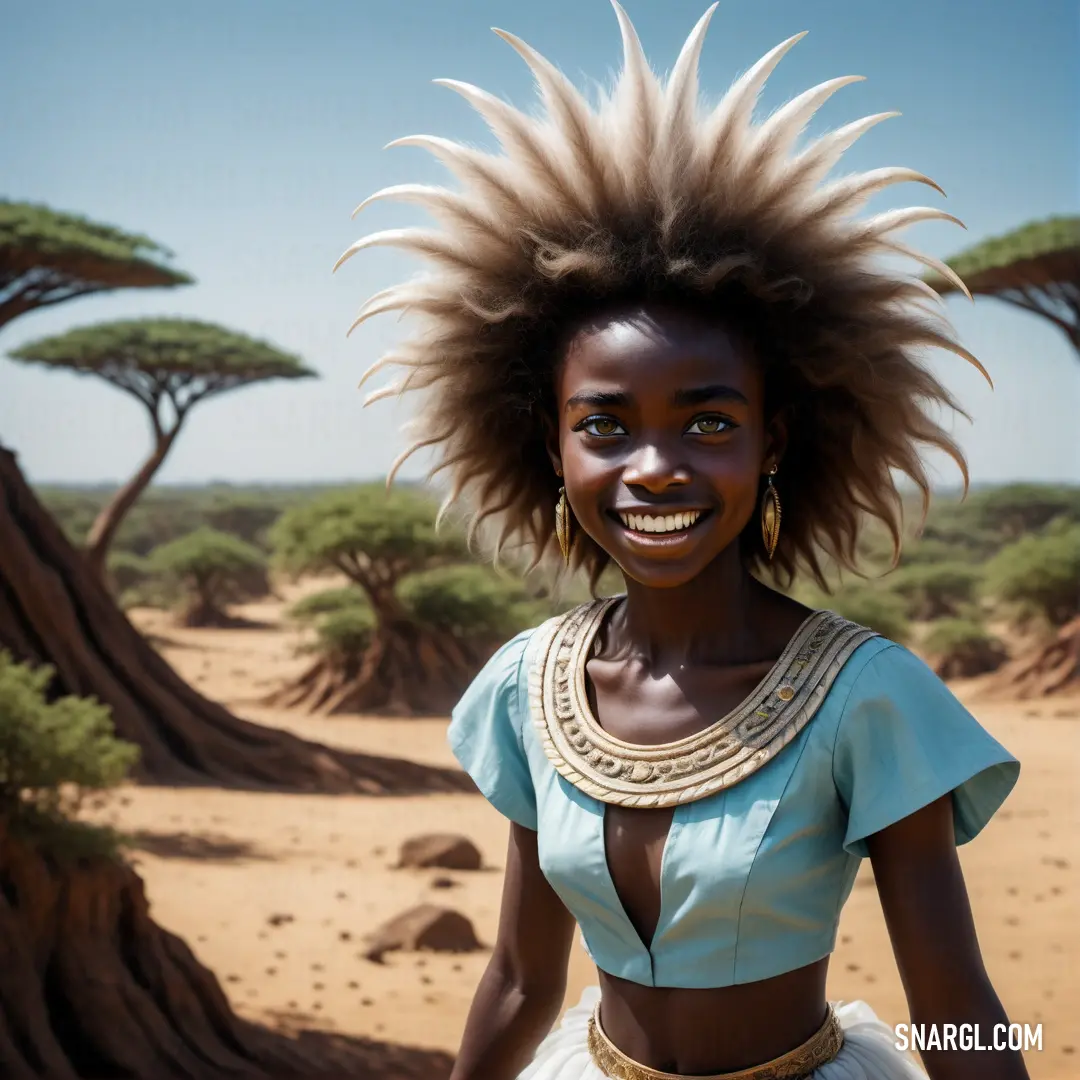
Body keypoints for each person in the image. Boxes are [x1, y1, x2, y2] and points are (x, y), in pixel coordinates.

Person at [336, 4, 1027, 1078]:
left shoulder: (867, 698)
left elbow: (954, 1004)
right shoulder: (529, 688)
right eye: (605, 427)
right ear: (550, 447)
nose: (654, 468)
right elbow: (522, 979)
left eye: (708, 423)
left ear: (773, 440)